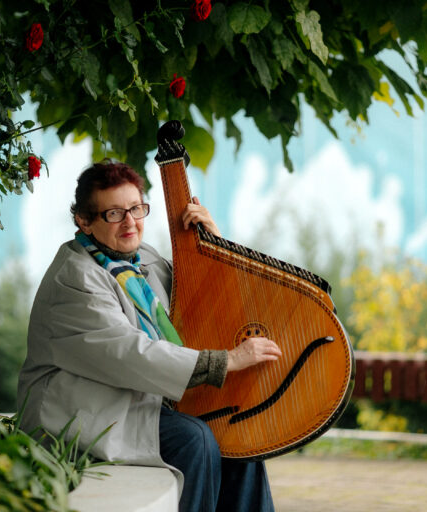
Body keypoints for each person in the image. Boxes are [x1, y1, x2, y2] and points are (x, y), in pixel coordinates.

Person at [17, 160, 281, 511]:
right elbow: (129, 353)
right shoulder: (74, 278)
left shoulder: (143, 260)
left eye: (136, 209)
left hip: (138, 400)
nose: (130, 222)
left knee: (240, 436)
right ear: (84, 221)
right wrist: (225, 361)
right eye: (114, 213)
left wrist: (212, 241)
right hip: (84, 414)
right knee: (195, 439)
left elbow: (202, 303)